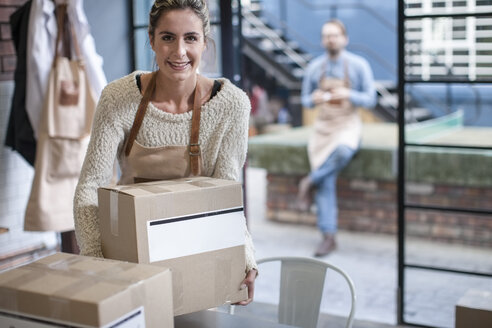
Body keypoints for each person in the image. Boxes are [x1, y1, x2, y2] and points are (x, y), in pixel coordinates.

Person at [73, 0, 257, 305]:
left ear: (204, 41)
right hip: (129, 258)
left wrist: (245, 259)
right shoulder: (117, 98)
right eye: (168, 37)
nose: (179, 52)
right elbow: (90, 187)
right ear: (152, 40)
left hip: (198, 252)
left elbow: (226, 197)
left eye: (191, 38)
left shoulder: (232, 104)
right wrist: (96, 260)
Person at [298, 19, 376, 257]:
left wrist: (349, 94)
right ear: (323, 40)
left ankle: (309, 181)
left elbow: (371, 99)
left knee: (342, 151)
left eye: (335, 35)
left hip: (348, 125)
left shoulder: (358, 65)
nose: (330, 39)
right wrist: (316, 98)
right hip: (323, 128)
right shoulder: (314, 68)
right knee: (327, 180)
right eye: (326, 36)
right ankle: (328, 236)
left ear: (345, 38)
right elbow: (304, 100)